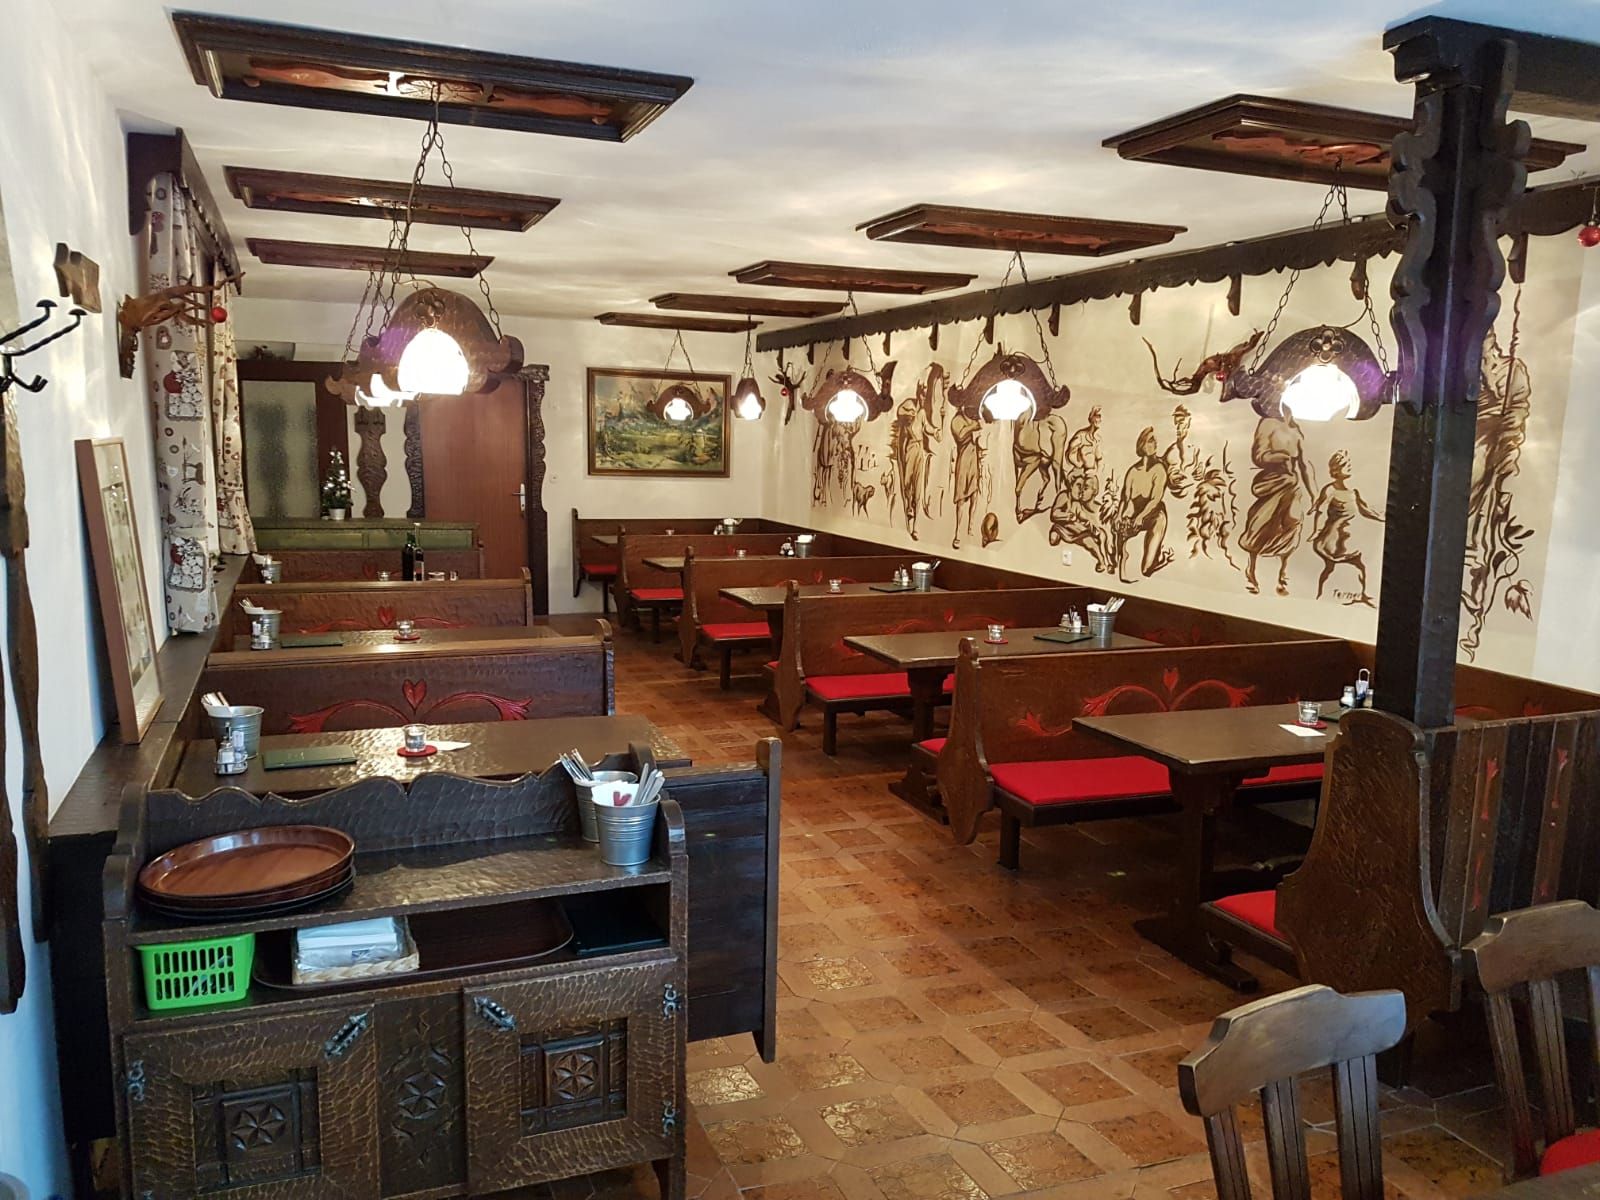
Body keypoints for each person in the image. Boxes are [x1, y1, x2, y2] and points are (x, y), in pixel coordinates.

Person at [1238, 393, 1316, 596]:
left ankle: (1283, 572)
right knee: (1259, 525)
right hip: (1272, 482)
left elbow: (1305, 464)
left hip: (1291, 485)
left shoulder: (1297, 430)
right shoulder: (1268, 424)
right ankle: (1251, 569)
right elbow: (1259, 456)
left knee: (1294, 520)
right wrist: (1281, 457)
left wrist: (1314, 493)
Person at [1310, 450, 1383, 605]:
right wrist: (1316, 531)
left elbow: (1365, 509)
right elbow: (1321, 511)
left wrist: (1381, 517)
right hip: (1334, 537)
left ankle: (1365, 594)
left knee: (1360, 564)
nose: (1349, 467)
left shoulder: (1353, 491)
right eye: (1345, 465)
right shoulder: (1331, 489)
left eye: (1349, 464)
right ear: (1336, 470)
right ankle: (1320, 595)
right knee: (1333, 566)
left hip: (1348, 536)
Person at [1114, 426, 1178, 580]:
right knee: (1120, 537)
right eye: (1150, 440)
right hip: (1136, 513)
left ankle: (1157, 559)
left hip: (1155, 515)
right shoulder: (1133, 471)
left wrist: (1141, 516)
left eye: (1155, 440)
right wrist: (1119, 515)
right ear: (1142, 445)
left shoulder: (1159, 469)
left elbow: (1155, 499)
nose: (1155, 443)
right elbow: (1125, 499)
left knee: (1146, 569)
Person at [950, 408, 985, 550]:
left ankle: (970, 527)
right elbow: (960, 435)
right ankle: (958, 531)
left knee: (974, 494)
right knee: (961, 498)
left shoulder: (971, 417)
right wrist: (972, 426)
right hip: (963, 458)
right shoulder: (956, 420)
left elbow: (980, 427)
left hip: (973, 456)